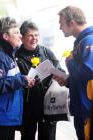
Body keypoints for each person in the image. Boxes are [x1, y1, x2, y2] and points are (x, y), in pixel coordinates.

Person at [0, 17, 35, 140]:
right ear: (6, 36)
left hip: (7, 118)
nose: (20, 36)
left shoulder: (8, 54)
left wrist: (24, 82)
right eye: (16, 32)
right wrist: (21, 80)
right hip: (0, 118)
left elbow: (10, 81)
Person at [15, 20, 61, 140]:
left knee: (48, 136)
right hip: (27, 106)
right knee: (27, 136)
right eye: (30, 35)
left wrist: (57, 74)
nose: (34, 38)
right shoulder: (16, 55)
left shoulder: (46, 52)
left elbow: (60, 71)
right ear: (22, 37)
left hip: (47, 105)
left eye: (36, 35)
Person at [56, 6, 93, 140]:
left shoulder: (89, 40)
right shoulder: (81, 41)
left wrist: (70, 63)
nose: (60, 28)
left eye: (61, 23)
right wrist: (68, 81)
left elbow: (89, 71)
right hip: (82, 108)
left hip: (87, 110)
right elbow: (83, 77)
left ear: (71, 23)